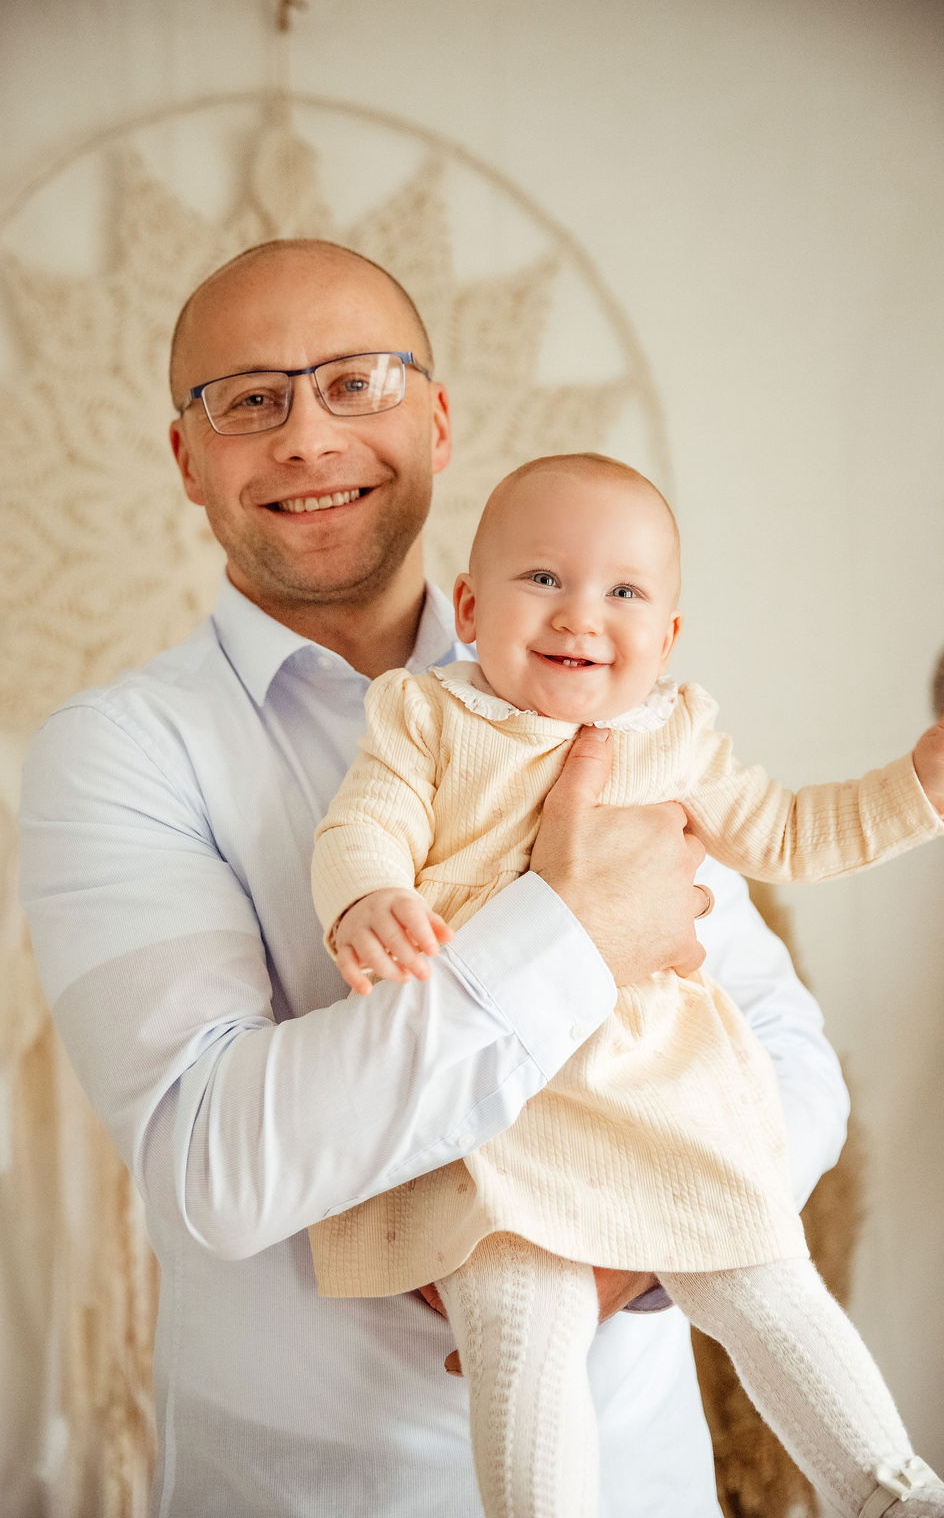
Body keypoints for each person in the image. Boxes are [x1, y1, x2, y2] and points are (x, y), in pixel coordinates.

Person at [20, 238, 852, 1518]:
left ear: (438, 418)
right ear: (187, 461)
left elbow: (792, 1059)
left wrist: (616, 1254)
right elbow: (210, 1167)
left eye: (358, 381)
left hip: (638, 1481)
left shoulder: (602, 692)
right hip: (311, 1492)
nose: (306, 436)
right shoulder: (119, 755)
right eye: (246, 399)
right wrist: (573, 931)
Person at [310, 453, 944, 1518]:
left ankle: (889, 1490)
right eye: (542, 579)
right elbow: (363, 823)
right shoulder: (426, 720)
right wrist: (365, 895)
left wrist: (916, 789)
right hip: (490, 1103)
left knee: (766, 1282)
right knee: (523, 1332)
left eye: (622, 592)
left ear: (667, 638)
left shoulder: (675, 739)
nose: (578, 617)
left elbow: (790, 830)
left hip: (656, 1087)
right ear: (469, 606)